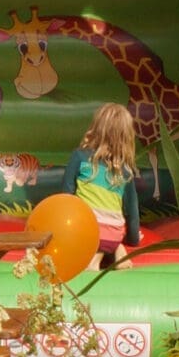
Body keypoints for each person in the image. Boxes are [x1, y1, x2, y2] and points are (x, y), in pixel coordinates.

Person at [65, 103, 141, 270]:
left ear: (95, 128)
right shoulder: (126, 171)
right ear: (127, 136)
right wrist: (133, 240)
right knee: (111, 233)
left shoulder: (80, 157)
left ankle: (94, 261)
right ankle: (116, 251)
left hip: (85, 234)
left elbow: (66, 197)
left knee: (92, 231)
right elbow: (132, 213)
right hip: (113, 234)